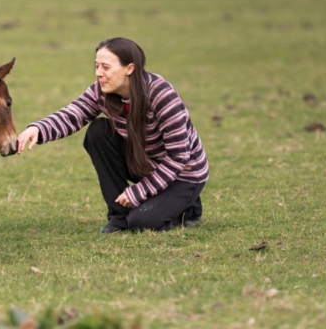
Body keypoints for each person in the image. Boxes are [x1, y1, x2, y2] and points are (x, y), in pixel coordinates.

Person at [17, 37, 208, 233]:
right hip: (146, 163)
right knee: (98, 131)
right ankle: (119, 216)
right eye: (97, 66)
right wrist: (38, 129)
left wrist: (138, 192)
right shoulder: (102, 91)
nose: (99, 73)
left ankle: (188, 207)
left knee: (143, 223)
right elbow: (74, 113)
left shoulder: (161, 94)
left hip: (183, 172)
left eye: (106, 67)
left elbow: (179, 156)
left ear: (129, 68)